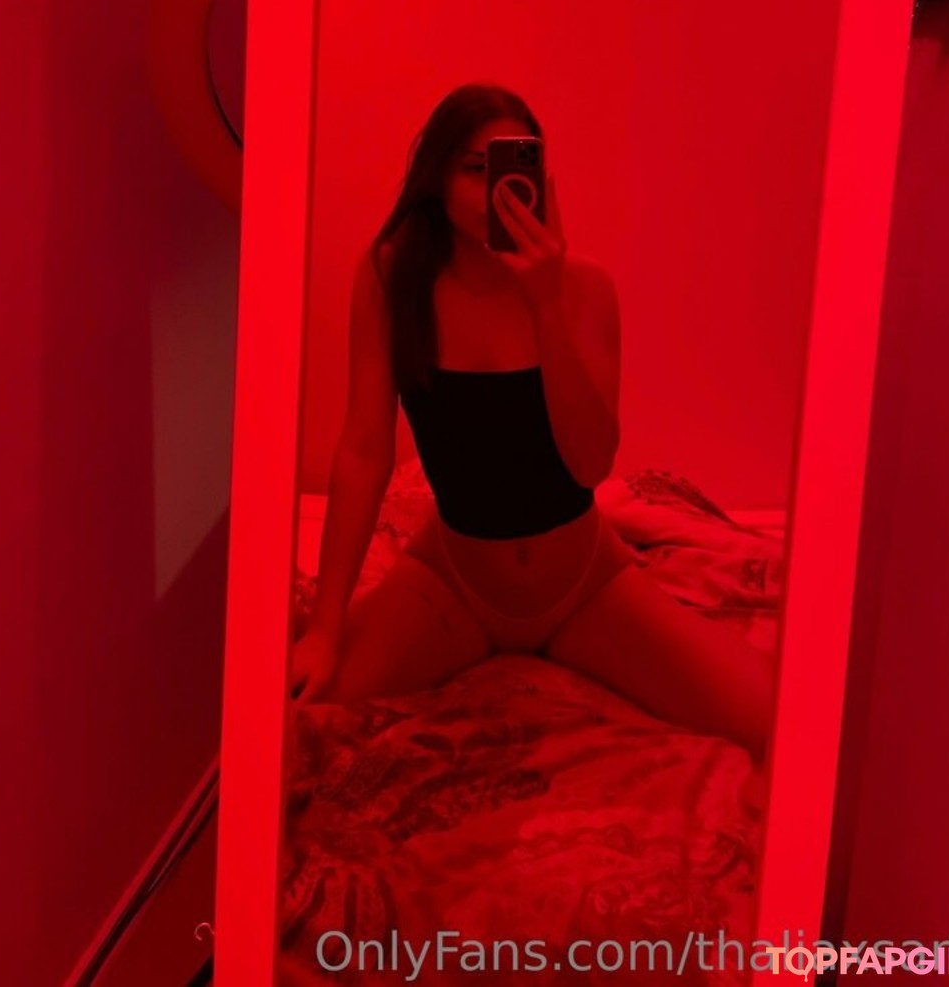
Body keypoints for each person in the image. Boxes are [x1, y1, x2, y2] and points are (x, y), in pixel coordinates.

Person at [289, 83, 774, 763]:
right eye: (474, 168)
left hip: (582, 580)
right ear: (436, 178)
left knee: (772, 715)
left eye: (512, 166)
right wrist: (326, 627)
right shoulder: (392, 277)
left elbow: (590, 463)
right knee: (290, 711)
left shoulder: (584, 287)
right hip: (453, 579)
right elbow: (364, 451)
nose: (496, 189)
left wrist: (546, 303)